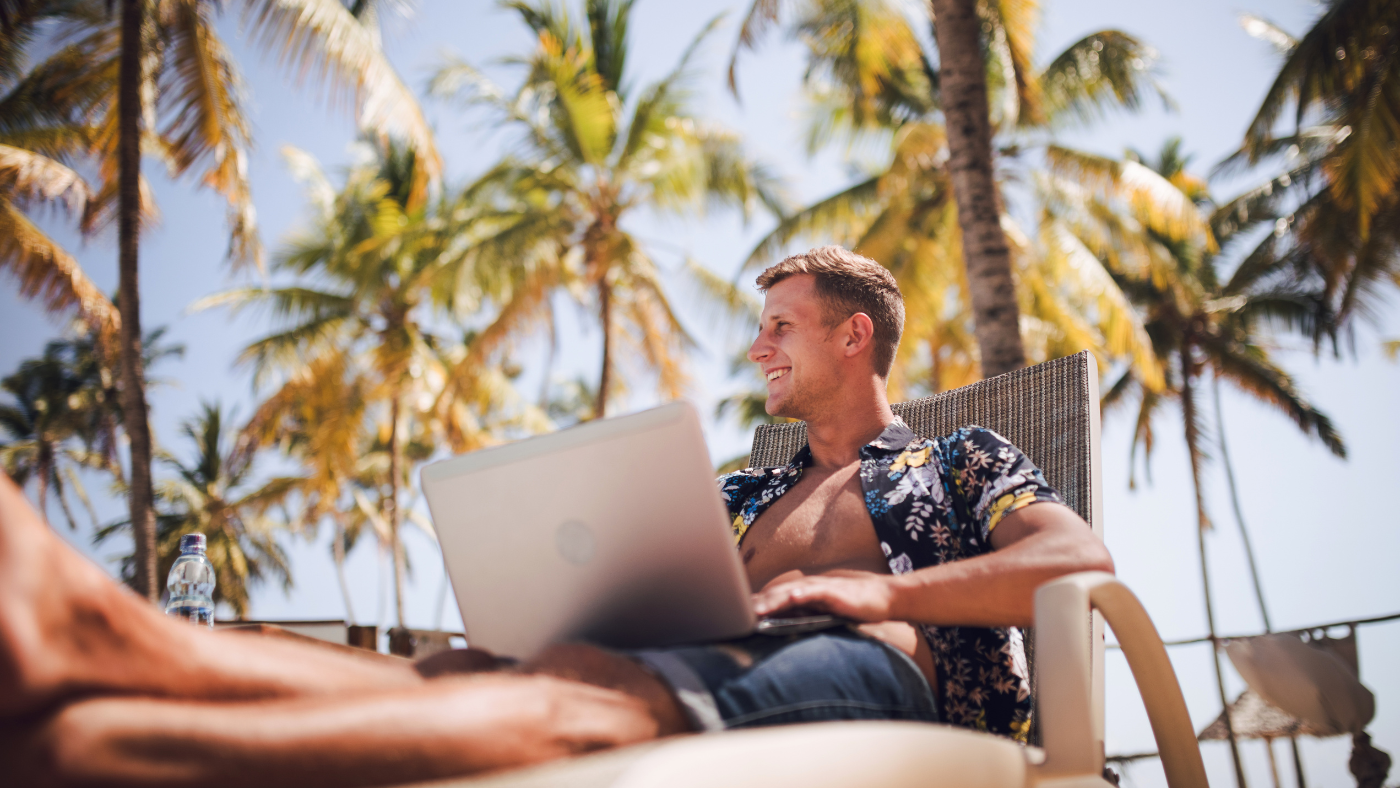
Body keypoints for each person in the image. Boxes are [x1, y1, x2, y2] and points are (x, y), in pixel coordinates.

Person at [1, 245, 1113, 786]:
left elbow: (1075, 553)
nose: (755, 346)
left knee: (602, 687)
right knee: (465, 667)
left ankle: (109, 746)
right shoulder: (738, 493)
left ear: (852, 335)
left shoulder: (956, 457)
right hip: (696, 661)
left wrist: (882, 588)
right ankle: (108, 644)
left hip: (889, 676)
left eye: (778, 324)